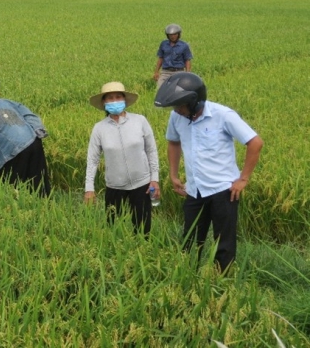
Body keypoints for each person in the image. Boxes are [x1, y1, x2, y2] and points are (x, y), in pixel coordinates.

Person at [154, 72, 263, 273]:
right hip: (194, 190)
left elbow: (255, 143)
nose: (176, 110)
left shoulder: (223, 116)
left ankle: (222, 283)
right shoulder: (177, 117)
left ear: (194, 101)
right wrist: (174, 174)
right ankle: (188, 278)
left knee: (224, 243)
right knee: (190, 240)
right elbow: (173, 142)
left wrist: (243, 179)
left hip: (224, 191)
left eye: (180, 105)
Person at [84, 82, 160, 235]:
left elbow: (151, 150)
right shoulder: (99, 128)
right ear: (104, 103)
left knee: (143, 229)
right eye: (110, 98)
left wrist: (155, 179)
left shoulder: (140, 121)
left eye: (118, 97)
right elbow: (92, 160)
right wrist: (89, 188)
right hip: (115, 186)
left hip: (142, 184)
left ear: (124, 99)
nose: (114, 101)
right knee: (112, 228)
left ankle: (141, 253)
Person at [154, 24, 193, 89]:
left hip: (179, 72)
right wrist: (156, 72)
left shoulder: (184, 45)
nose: (173, 36)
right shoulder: (163, 44)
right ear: (167, 35)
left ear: (178, 35)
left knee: (179, 90)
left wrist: (188, 73)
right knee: (160, 90)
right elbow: (161, 58)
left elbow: (187, 60)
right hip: (165, 72)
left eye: (175, 34)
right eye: (170, 35)